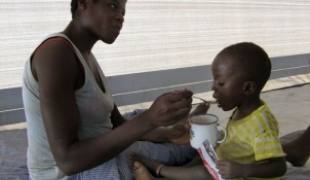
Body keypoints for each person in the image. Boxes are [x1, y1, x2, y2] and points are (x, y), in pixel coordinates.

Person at [22, 0, 210, 179]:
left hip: (97, 150)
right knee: (189, 146)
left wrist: (166, 134)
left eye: (123, 11)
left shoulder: (85, 55)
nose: (120, 17)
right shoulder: (56, 54)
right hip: (73, 174)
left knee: (161, 128)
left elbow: (118, 123)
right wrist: (150, 119)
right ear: (84, 2)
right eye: (113, 6)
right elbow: (68, 161)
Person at [130, 42, 289, 180]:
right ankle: (164, 174)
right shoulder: (243, 109)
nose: (213, 87)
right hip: (224, 164)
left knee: (201, 173)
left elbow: (279, 166)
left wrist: (242, 169)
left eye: (220, 83)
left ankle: (160, 169)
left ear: (247, 88)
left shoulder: (261, 125)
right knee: (200, 159)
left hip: (240, 176)